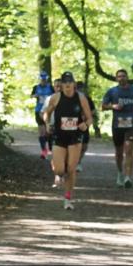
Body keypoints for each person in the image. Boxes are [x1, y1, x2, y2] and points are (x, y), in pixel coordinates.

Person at [42, 71, 93, 210]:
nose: (67, 85)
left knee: (71, 169)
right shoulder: (55, 97)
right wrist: (47, 124)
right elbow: (46, 113)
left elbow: (90, 118)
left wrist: (86, 124)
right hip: (59, 135)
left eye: (70, 82)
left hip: (75, 136)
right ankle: (59, 167)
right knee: (59, 169)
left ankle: (68, 198)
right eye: (65, 82)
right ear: (61, 85)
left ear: (74, 84)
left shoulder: (81, 98)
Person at [101, 68, 133, 189]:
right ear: (116, 78)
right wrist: (113, 106)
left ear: (127, 77)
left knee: (129, 149)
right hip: (117, 125)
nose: (121, 78)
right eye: (119, 76)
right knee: (119, 153)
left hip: (131, 124)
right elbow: (103, 106)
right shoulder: (112, 92)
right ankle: (120, 173)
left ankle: (128, 177)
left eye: (123, 76)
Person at [31, 72, 55, 159]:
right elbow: (31, 95)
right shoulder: (36, 87)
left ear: (47, 79)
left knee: (49, 131)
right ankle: (44, 150)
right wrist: (36, 95)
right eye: (42, 79)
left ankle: (51, 148)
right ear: (40, 79)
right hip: (38, 111)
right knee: (42, 132)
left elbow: (55, 95)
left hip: (49, 111)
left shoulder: (50, 87)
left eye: (45, 79)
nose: (43, 81)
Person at [75, 80, 97, 172]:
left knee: (84, 146)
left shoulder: (88, 99)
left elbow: (93, 111)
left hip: (84, 124)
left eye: (82, 89)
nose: (80, 90)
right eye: (78, 89)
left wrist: (87, 115)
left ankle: (78, 162)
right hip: (72, 125)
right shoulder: (71, 98)